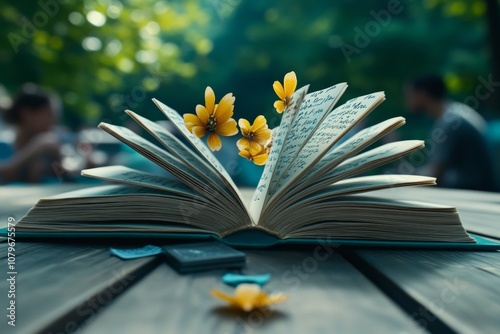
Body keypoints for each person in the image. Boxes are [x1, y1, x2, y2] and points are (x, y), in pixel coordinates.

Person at [405, 74, 496, 191]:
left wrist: (400, 177)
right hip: (478, 189)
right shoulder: (455, 113)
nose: (406, 100)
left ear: (422, 95)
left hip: (474, 192)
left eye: (409, 95)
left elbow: (433, 176)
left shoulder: (449, 122)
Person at [0, 84, 62, 183]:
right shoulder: (4, 144)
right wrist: (37, 146)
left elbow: (64, 176)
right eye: (48, 114)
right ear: (26, 113)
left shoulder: (50, 150)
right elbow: (6, 171)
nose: (53, 121)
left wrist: (58, 159)